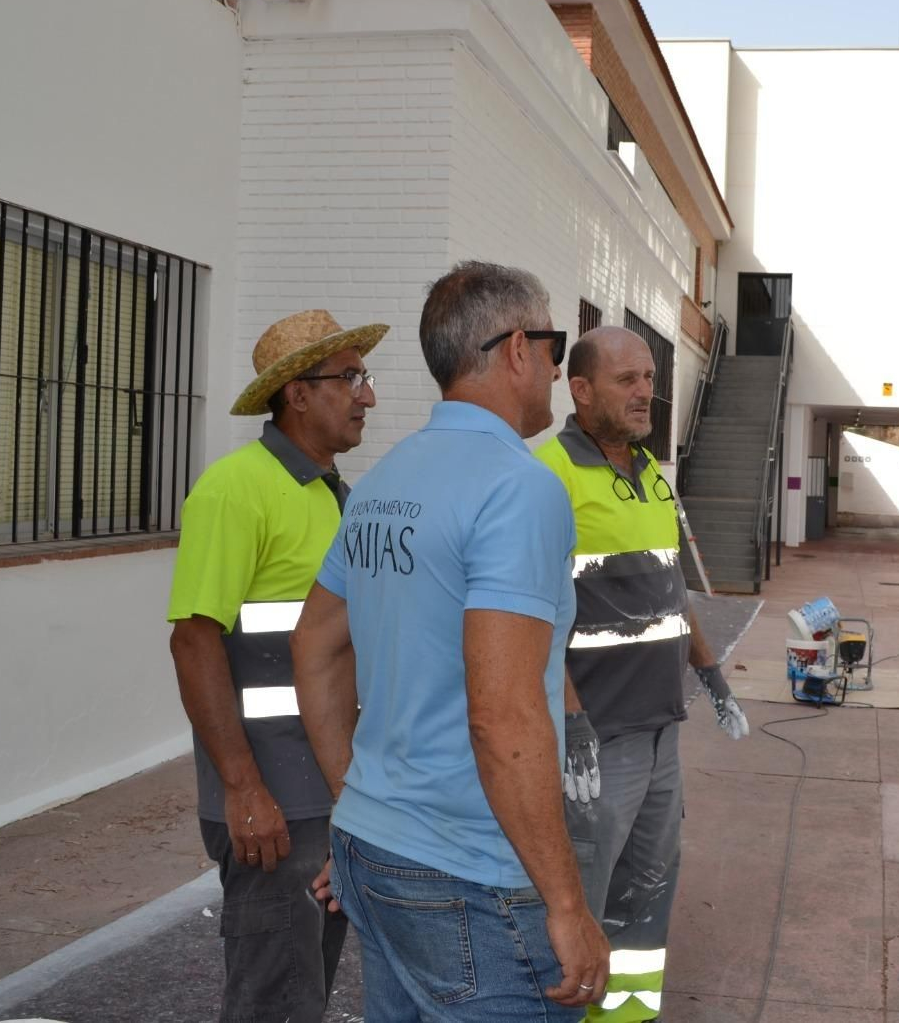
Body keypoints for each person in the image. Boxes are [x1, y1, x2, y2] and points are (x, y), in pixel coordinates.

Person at [291, 261, 609, 1021]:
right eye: (554, 343)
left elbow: (315, 647)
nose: (559, 367)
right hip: (471, 877)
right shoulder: (520, 486)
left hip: (374, 852)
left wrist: (358, 805)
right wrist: (566, 904)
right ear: (516, 350)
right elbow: (502, 716)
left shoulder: (382, 482)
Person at [166, 308, 387, 1023]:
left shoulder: (338, 498)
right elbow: (194, 640)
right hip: (273, 805)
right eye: (350, 378)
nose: (367, 395)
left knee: (306, 989)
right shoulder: (237, 489)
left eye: (364, 376)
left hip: (326, 792)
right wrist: (243, 790)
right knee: (273, 1001)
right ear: (297, 392)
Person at [534, 325, 750, 1022]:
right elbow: (531, 624)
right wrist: (571, 728)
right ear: (581, 388)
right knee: (581, 905)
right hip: (596, 745)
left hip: (661, 737)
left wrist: (712, 676)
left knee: (648, 894)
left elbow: (670, 592)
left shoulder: (654, 476)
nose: (645, 392)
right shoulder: (548, 480)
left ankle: (625, 1019)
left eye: (650, 378)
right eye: (627, 380)